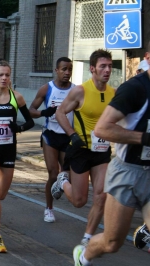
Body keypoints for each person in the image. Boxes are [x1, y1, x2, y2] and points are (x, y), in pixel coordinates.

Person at [73, 44, 150, 265]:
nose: (106, 70)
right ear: (147, 58)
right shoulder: (135, 89)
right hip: (127, 172)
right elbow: (102, 129)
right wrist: (144, 138)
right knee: (112, 242)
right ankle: (84, 255)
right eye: (102, 66)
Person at [51, 49, 115, 247]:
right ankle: (63, 182)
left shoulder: (114, 93)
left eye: (110, 67)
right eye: (102, 66)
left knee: (101, 195)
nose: (107, 70)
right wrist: (72, 134)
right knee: (79, 201)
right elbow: (60, 112)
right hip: (80, 150)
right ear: (93, 69)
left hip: (102, 151)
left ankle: (87, 239)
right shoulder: (81, 90)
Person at [0, 60, 34, 252]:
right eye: (1, 75)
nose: (5, 78)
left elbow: (30, 121)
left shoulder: (17, 97)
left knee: (2, 195)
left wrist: (20, 127)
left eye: (7, 75)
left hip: (9, 148)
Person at [29, 57, 74, 223]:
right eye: (64, 69)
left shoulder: (76, 90)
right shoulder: (47, 88)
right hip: (50, 134)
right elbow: (31, 110)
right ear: (57, 70)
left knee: (67, 175)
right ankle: (49, 208)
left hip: (67, 136)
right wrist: (44, 113)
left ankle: (60, 185)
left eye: (70, 69)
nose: (67, 73)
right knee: (53, 173)